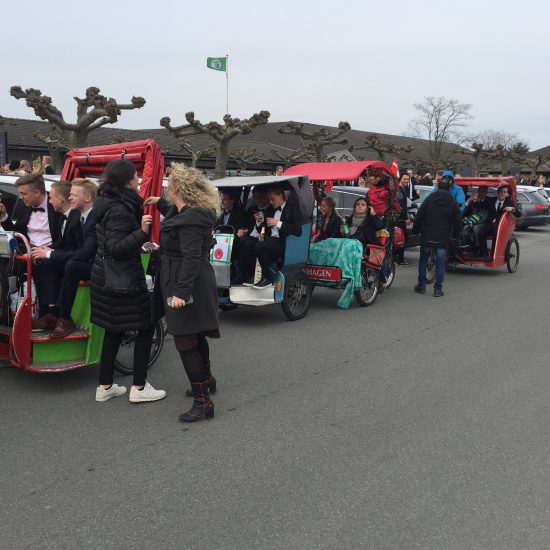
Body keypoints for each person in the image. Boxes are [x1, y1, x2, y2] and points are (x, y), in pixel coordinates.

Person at [145, 164, 220, 422]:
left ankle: (203, 402)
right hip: (191, 279)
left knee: (184, 339)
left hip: (185, 282)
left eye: (168, 187)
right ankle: (207, 380)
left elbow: (189, 256)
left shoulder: (191, 219)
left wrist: (180, 292)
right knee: (196, 335)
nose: (166, 190)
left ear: (177, 189)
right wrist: (160, 204)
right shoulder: (192, 213)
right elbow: (178, 219)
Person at [91, 159, 166, 404]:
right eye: (135, 176)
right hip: (122, 278)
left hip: (105, 275)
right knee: (146, 325)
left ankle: (105, 386)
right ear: (127, 180)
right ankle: (140, 387)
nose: (138, 180)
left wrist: (140, 242)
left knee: (114, 328)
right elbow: (116, 248)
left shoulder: (106, 202)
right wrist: (141, 233)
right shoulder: (121, 208)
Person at [31, 179, 98, 338]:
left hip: (98, 265)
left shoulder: (94, 218)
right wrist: (48, 251)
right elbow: (67, 245)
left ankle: (65, 317)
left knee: (72, 265)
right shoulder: (80, 215)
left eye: (73, 195)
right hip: (84, 261)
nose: (70, 197)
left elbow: (84, 253)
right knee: (49, 263)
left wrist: (50, 253)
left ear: (87, 198)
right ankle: (53, 312)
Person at [0, 173, 63, 317]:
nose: (20, 197)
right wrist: (3, 216)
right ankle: (8, 312)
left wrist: (48, 251)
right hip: (28, 251)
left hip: (52, 252)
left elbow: (65, 237)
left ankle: (48, 314)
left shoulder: (56, 204)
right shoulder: (22, 205)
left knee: (44, 264)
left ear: (36, 193)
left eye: (23, 193)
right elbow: (16, 233)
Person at [240, 185, 302, 289]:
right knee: (247, 244)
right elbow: (263, 230)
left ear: (281, 196)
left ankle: (267, 277)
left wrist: (278, 223)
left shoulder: (292, 208)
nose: (271, 202)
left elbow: (298, 231)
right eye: (269, 200)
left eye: (273, 199)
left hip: (282, 242)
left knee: (260, 246)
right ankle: (252, 276)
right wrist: (259, 222)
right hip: (268, 239)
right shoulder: (271, 209)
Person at [412, 175, 462, 297]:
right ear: (450, 188)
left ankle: (422, 285)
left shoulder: (429, 199)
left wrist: (415, 230)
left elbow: (419, 216)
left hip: (427, 234)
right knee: (440, 262)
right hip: (443, 235)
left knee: (423, 259)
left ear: (437, 186)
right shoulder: (452, 201)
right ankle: (438, 289)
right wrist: (455, 235)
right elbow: (458, 220)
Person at [476, 185, 520, 259]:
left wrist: (512, 208)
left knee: (496, 234)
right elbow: (479, 205)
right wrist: (475, 199)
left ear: (507, 194)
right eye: (501, 192)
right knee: (480, 233)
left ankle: (493, 255)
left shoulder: (508, 202)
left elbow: (518, 214)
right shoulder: (491, 200)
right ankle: (485, 253)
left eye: (504, 192)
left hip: (500, 225)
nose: (502, 193)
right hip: (490, 224)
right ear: (498, 193)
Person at [238, 186, 270, 285]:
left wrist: (261, 221)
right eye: (255, 197)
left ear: (266, 196)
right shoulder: (251, 210)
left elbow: (267, 230)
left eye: (261, 197)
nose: (258, 200)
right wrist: (243, 231)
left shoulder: (271, 209)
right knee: (239, 240)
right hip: (252, 235)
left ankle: (254, 275)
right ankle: (242, 274)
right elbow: (247, 226)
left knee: (248, 244)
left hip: (264, 237)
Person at [461, 187, 492, 254]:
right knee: (465, 230)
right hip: (471, 221)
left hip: (483, 222)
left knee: (476, 229)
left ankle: (478, 248)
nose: (481, 193)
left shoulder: (489, 201)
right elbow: (464, 213)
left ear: (486, 192)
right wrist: (468, 201)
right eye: (480, 191)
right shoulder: (472, 200)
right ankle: (465, 249)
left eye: (483, 191)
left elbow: (486, 215)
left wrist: (474, 223)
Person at [395, 174, 413, 266]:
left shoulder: (402, 189)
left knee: (401, 239)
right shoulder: (399, 190)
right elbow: (400, 207)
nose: (406, 181)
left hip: (399, 219)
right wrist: (405, 218)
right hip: (399, 220)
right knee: (402, 240)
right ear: (400, 179)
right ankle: (399, 260)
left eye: (408, 179)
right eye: (404, 179)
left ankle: (397, 259)